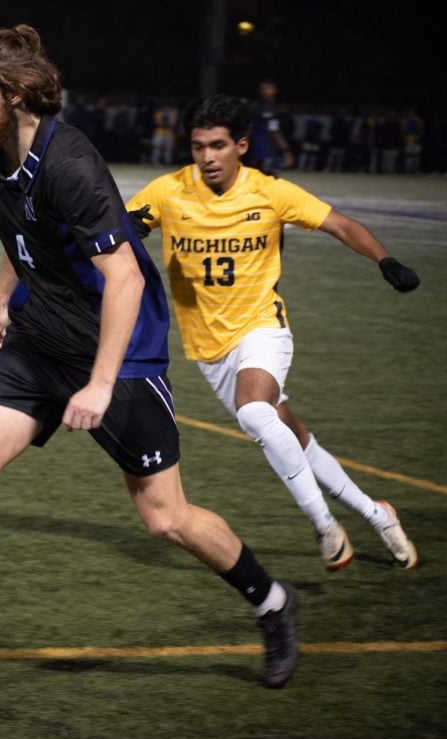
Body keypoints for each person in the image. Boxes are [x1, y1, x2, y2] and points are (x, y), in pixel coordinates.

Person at [0, 25, 300, 691]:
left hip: (119, 353)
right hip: (41, 337)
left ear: (17, 97)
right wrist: (0, 300)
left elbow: (126, 280)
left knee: (165, 517)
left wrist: (102, 384)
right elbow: (23, 233)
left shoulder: (72, 164)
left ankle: (273, 603)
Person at [125, 94, 421, 573]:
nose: (207, 157)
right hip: (207, 349)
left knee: (256, 414)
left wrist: (384, 260)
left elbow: (340, 224)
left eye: (218, 145)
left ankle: (324, 525)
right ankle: (376, 513)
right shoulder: (167, 191)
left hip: (263, 326)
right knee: (290, 434)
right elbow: (113, 231)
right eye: (198, 146)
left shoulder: (271, 192)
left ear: (241, 145)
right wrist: (125, 229)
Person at [247, 79, 293, 176]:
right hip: (256, 152)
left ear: (274, 90)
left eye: (268, 88)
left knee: (271, 181)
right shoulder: (255, 108)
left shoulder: (277, 109)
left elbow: (276, 132)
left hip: (271, 152)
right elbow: (248, 129)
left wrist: (286, 151)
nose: (265, 91)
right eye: (263, 89)